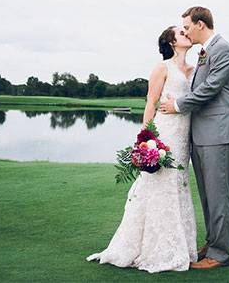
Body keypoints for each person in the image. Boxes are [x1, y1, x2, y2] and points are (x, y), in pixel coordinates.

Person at [86, 26, 198, 273]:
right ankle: (151, 247)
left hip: (184, 137)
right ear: (171, 42)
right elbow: (151, 101)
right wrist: (147, 138)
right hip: (165, 131)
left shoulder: (195, 70)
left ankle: (178, 246)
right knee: (158, 185)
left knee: (178, 183)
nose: (186, 34)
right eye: (180, 33)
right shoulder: (163, 68)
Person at [158, 6, 229, 270]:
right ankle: (212, 242)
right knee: (207, 195)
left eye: (187, 26)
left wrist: (179, 105)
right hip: (202, 134)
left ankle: (220, 254)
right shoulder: (206, 52)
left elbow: (209, 89)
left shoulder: (223, 49)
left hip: (218, 133)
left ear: (200, 24)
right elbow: (209, 87)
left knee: (218, 195)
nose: (184, 30)